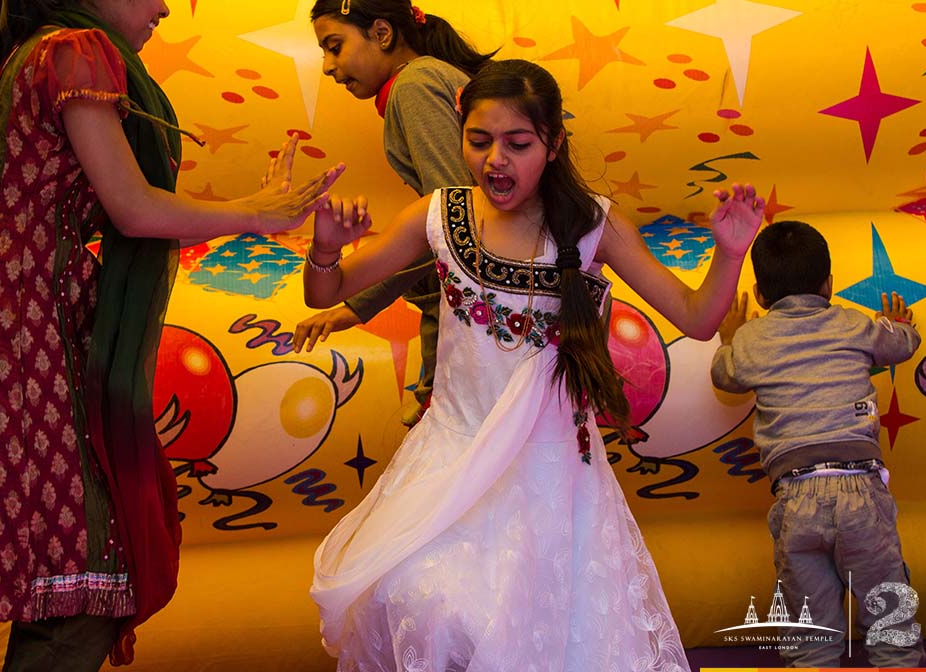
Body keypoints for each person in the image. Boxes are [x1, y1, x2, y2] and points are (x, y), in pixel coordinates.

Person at [0, 0, 341, 671]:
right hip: (8, 346)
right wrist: (254, 216)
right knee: (84, 584)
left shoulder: (32, 52)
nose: (165, 3)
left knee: (71, 585)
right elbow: (131, 209)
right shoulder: (79, 51)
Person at [303, 58, 765, 670]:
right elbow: (326, 293)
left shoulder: (592, 225)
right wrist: (326, 251)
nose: (497, 159)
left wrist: (730, 254)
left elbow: (697, 317)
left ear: (552, 146)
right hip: (451, 455)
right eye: (479, 140)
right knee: (412, 593)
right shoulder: (438, 216)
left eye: (518, 144)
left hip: (549, 474)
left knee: (539, 638)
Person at [710, 221, 924, 668]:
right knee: (890, 624)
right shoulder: (853, 324)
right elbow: (901, 345)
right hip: (860, 490)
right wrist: (901, 324)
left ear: (761, 295)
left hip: (796, 497)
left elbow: (724, 377)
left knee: (811, 635)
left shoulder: (751, 340)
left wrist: (730, 336)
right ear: (829, 284)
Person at [293, 0, 495, 426]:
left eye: (335, 46)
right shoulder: (425, 80)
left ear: (382, 33)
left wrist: (358, 302)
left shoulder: (415, 86)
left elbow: (455, 224)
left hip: (475, 323)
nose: (327, 66)